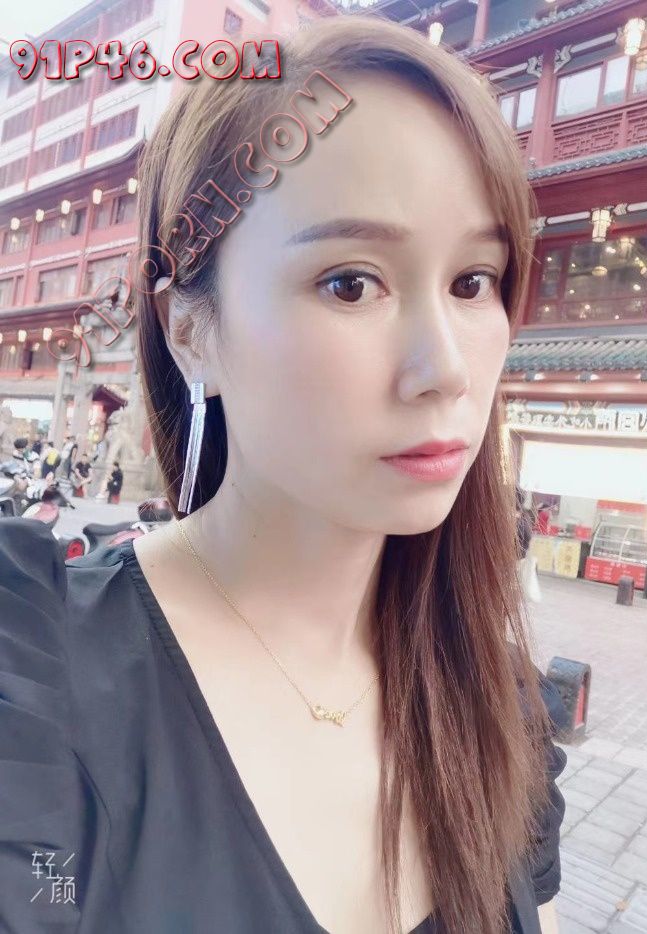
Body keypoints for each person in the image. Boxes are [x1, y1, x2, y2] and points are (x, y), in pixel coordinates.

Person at [0, 17, 566, 934]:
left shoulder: (496, 703)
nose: (447, 370)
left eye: (473, 282)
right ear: (190, 330)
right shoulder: (36, 680)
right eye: (351, 283)